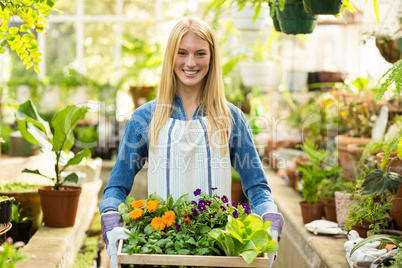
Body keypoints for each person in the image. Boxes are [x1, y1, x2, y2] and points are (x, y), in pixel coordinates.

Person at [99, 17, 283, 268]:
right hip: (160, 250)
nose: (190, 62)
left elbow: (257, 186)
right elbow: (117, 186)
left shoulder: (231, 119)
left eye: (200, 53)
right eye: (182, 53)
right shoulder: (145, 118)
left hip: (218, 253)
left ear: (212, 57)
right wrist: (111, 216)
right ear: (170, 57)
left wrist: (268, 215)